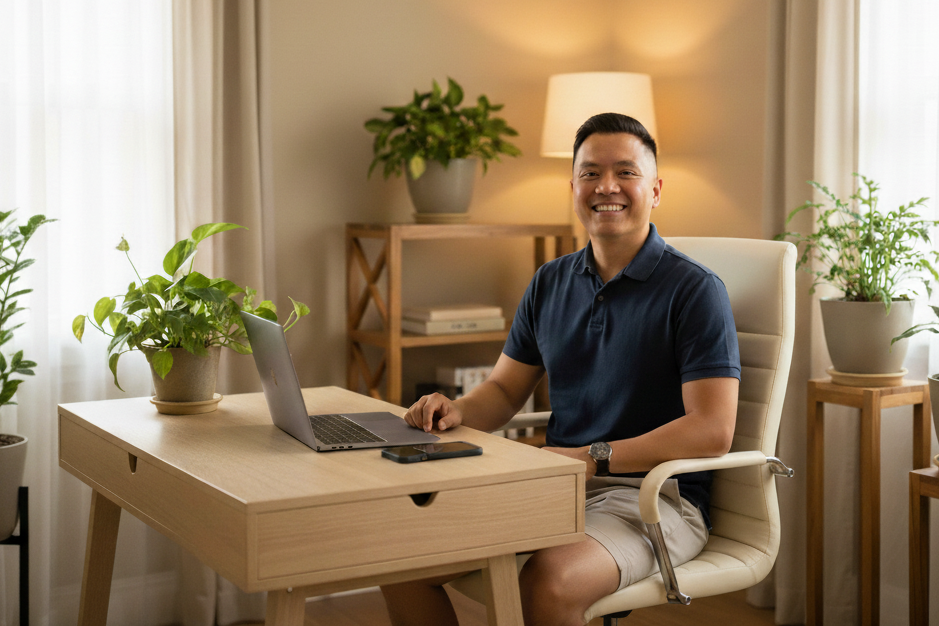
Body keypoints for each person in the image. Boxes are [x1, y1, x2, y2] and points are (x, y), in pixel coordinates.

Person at [380, 113, 740, 626]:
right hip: (559, 485)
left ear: (656, 190)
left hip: (657, 497)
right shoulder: (550, 282)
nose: (606, 187)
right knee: (395, 553)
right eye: (590, 173)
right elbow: (505, 389)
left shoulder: (695, 291)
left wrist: (592, 457)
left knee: (548, 583)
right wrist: (454, 411)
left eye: (626, 173)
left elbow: (712, 430)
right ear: (571, 186)